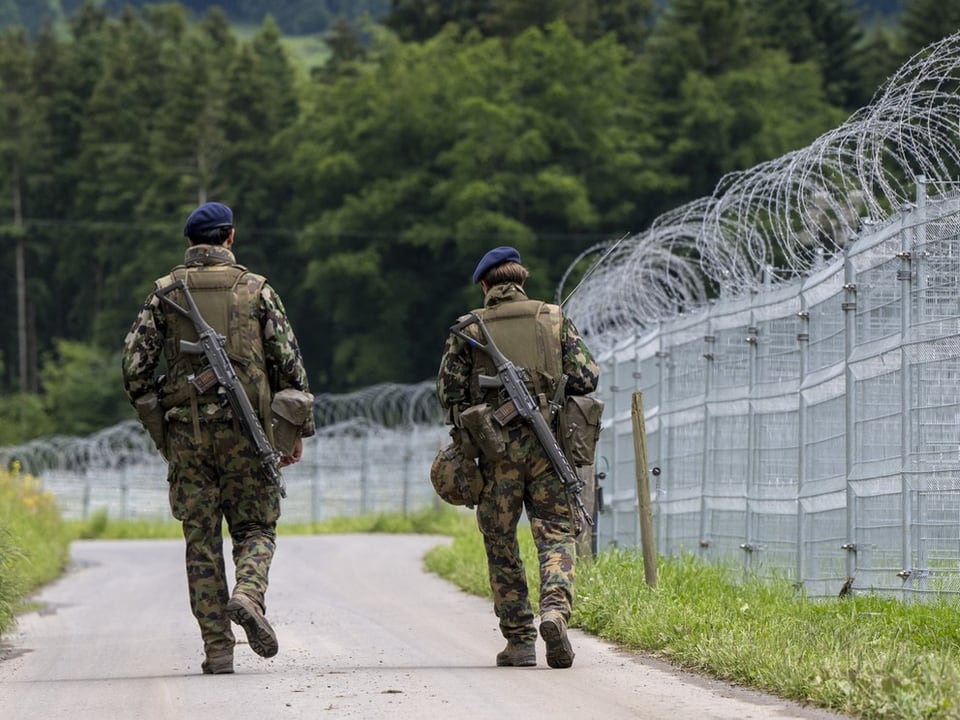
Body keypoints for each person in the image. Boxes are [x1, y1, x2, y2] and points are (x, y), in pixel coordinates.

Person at [121, 201, 315, 675]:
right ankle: (248, 594)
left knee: (201, 540)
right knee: (257, 529)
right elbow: (291, 369)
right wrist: (293, 433)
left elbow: (134, 369)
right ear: (230, 238)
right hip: (250, 437)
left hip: (188, 437)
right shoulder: (257, 291)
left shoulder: (164, 294)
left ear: (190, 243)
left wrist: (162, 429)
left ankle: (218, 650)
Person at [436, 246, 600, 669]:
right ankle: (555, 612)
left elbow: (448, 395)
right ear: (521, 280)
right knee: (557, 535)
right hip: (549, 449)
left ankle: (521, 640)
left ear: (486, 285)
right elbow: (587, 376)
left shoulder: (467, 330)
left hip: (496, 454)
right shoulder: (553, 318)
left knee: (501, 542)